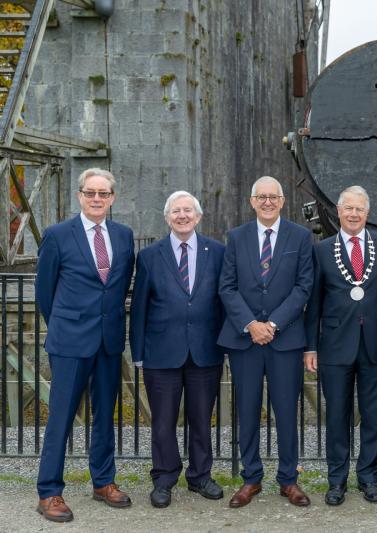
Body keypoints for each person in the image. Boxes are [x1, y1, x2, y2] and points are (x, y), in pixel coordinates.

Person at [35, 168, 135, 522]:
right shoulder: (57, 235)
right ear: (80, 195)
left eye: (103, 193)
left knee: (105, 416)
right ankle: (49, 491)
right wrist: (65, 326)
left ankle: (103, 482)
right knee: (61, 418)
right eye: (90, 192)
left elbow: (119, 287)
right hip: (69, 342)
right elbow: (45, 292)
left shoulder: (124, 235)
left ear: (112, 198)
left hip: (108, 341)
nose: (96, 198)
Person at [218, 176, 314, 508]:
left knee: (286, 411)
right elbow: (227, 286)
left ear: (283, 201)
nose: (268, 202)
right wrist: (250, 324)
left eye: (273, 197)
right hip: (245, 340)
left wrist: (272, 324)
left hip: (284, 339)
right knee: (247, 410)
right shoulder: (236, 237)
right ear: (252, 201)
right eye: (262, 197)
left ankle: (288, 479)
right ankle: (251, 478)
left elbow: (303, 286)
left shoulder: (300, 236)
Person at [304, 186, 377, 506]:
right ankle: (337, 480)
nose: (353, 214)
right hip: (334, 345)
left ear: (367, 213)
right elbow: (314, 303)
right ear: (338, 211)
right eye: (348, 208)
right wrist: (310, 347)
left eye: (359, 209)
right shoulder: (322, 250)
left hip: (376, 342)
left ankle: (369, 477)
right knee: (337, 415)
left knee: (374, 415)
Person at [129, 191, 226, 508]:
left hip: (205, 350)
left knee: (202, 418)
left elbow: (224, 301)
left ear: (198, 217)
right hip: (161, 352)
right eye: (176, 211)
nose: (182, 216)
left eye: (188, 211)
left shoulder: (218, 252)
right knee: (162, 421)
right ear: (167, 217)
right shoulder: (149, 256)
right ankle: (164, 478)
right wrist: (138, 353)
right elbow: (139, 307)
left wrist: (227, 344)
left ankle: (200, 476)